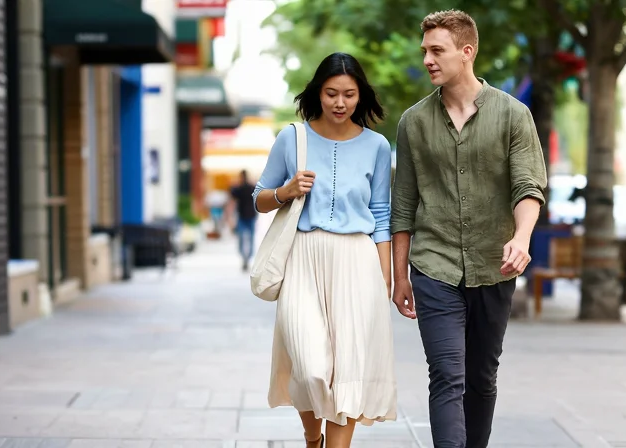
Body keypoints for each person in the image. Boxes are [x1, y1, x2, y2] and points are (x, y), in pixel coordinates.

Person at [390, 9, 547, 448]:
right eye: (425, 51)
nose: (427, 60)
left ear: (467, 51)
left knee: (481, 378)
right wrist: (399, 274)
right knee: (446, 375)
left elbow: (527, 185)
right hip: (433, 266)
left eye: (437, 50)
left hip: (493, 265)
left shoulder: (513, 115)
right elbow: (403, 204)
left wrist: (521, 237)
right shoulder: (413, 122)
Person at [252, 52, 397, 448]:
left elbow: (382, 214)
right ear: (318, 93)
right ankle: (311, 436)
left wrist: (384, 279)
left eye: (349, 94)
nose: (339, 102)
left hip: (358, 262)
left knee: (348, 371)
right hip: (303, 257)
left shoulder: (377, 146)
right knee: (312, 367)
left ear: (360, 96)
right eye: (331, 93)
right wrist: (285, 191)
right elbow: (259, 199)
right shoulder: (292, 138)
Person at [229, 170, 258, 271]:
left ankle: (246, 258)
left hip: (246, 216)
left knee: (244, 238)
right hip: (247, 216)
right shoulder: (246, 188)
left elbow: (232, 201)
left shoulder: (242, 188)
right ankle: (246, 258)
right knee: (248, 238)